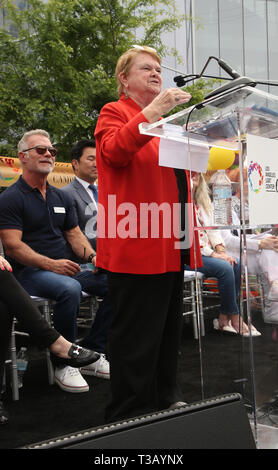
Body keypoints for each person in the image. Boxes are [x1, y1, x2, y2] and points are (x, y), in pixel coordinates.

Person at [94, 45, 202, 423]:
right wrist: (154, 110)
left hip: (172, 241)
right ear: (124, 78)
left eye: (159, 69)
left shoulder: (167, 125)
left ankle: (164, 396)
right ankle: (130, 413)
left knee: (167, 331)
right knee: (136, 337)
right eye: (147, 69)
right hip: (137, 240)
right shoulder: (115, 112)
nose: (157, 74)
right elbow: (114, 153)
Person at [0, 129, 106, 394]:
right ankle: (64, 362)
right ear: (23, 157)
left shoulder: (61, 197)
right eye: (41, 150)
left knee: (118, 280)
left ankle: (93, 349)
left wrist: (94, 257)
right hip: (29, 274)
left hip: (66, 269)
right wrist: (51, 264)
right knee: (68, 289)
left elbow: (74, 235)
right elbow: (13, 246)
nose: (48, 154)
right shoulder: (10, 198)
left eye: (52, 150)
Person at [0, 255, 100, 425]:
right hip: (28, 270)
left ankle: (59, 343)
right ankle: (56, 343)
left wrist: (92, 255)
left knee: (2, 308)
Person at [62, 139, 114, 379]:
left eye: (99, 159)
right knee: (119, 286)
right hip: (81, 267)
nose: (96, 164)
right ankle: (94, 348)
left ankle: (103, 344)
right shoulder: (66, 195)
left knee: (132, 281)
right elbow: (77, 236)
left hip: (107, 262)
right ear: (75, 163)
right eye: (90, 158)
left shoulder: (105, 190)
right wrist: (97, 258)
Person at [189, 171, 261, 336]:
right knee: (225, 267)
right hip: (190, 254)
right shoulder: (180, 203)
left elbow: (213, 232)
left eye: (197, 175)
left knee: (235, 263)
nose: (195, 177)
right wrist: (215, 255)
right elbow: (190, 241)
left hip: (207, 253)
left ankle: (223, 317)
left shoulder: (203, 202)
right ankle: (235, 317)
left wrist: (220, 250)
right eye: (190, 174)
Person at [222, 168, 278, 324]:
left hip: (250, 251)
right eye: (245, 180)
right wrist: (260, 243)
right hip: (233, 252)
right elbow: (229, 240)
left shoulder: (254, 205)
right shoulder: (225, 205)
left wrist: (264, 241)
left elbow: (258, 233)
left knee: (270, 248)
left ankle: (275, 288)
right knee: (269, 249)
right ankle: (272, 308)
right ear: (236, 184)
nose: (248, 184)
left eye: (251, 180)